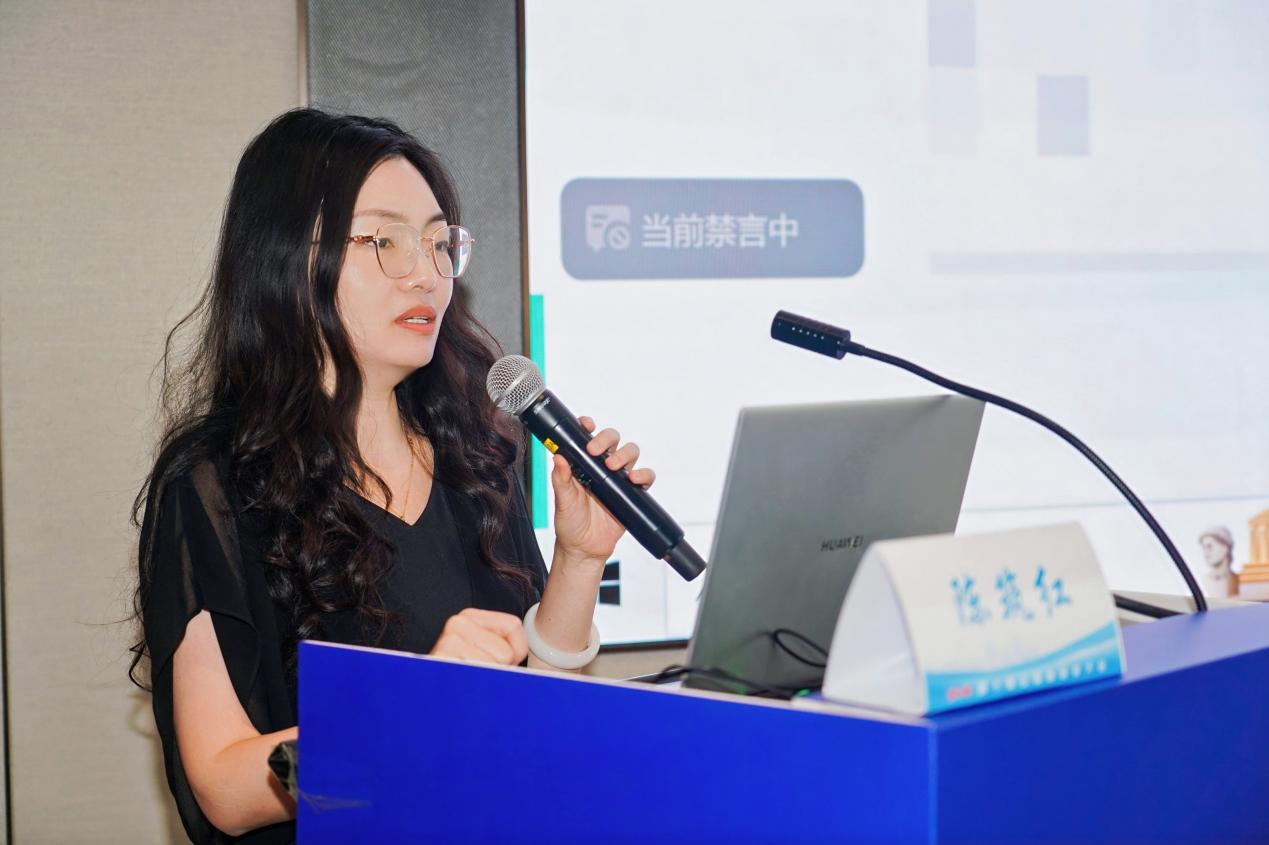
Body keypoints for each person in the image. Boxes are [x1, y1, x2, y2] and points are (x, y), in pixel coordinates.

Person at [130, 109, 654, 843]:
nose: (427, 274)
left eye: (440, 244)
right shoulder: (215, 483)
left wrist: (579, 558)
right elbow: (224, 784)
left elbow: (530, 705)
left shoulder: (474, 451)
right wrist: (416, 706)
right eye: (385, 241)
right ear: (289, 258)